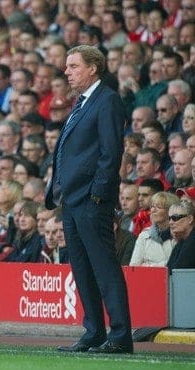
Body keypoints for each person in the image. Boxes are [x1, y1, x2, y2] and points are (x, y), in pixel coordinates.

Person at [45, 46, 133, 354]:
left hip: (91, 201)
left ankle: (120, 335)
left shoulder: (106, 100)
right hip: (72, 201)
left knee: (104, 268)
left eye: (73, 66)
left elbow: (111, 153)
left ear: (93, 68)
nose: (66, 72)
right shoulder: (82, 103)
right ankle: (94, 332)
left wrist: (98, 194)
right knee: (81, 268)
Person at [130, 192, 179, 267]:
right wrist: (164, 265)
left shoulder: (179, 235)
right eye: (152, 206)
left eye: (158, 207)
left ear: (170, 211)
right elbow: (134, 267)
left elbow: (178, 265)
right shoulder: (144, 235)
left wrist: (146, 265)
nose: (153, 210)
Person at [166, 200, 195, 273]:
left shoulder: (192, 242)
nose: (171, 222)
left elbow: (179, 270)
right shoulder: (181, 241)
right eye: (169, 218)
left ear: (190, 219)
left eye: (175, 218)